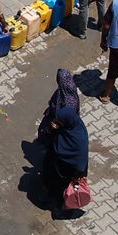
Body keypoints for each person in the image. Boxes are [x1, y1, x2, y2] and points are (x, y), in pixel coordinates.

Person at [37, 70, 90, 210]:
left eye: (59, 121)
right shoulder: (69, 128)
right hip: (57, 161)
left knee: (59, 185)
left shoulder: (78, 138)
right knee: (49, 176)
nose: (56, 122)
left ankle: (59, 201)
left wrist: (77, 177)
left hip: (67, 169)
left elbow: (81, 159)